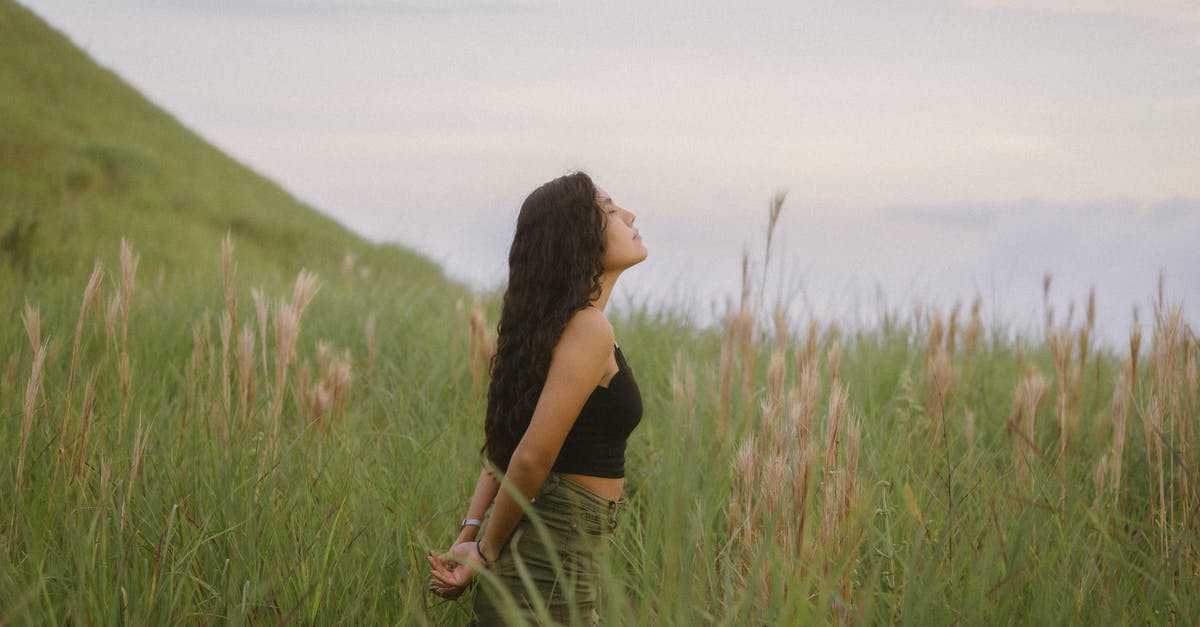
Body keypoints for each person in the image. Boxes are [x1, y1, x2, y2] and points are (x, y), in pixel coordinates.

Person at [427, 171, 648, 625]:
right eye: (608, 211)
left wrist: (472, 532)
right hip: (547, 567)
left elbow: (506, 447)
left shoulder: (561, 328)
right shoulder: (587, 328)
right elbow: (528, 458)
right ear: (578, 239)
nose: (628, 215)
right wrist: (485, 551)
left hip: (554, 562)